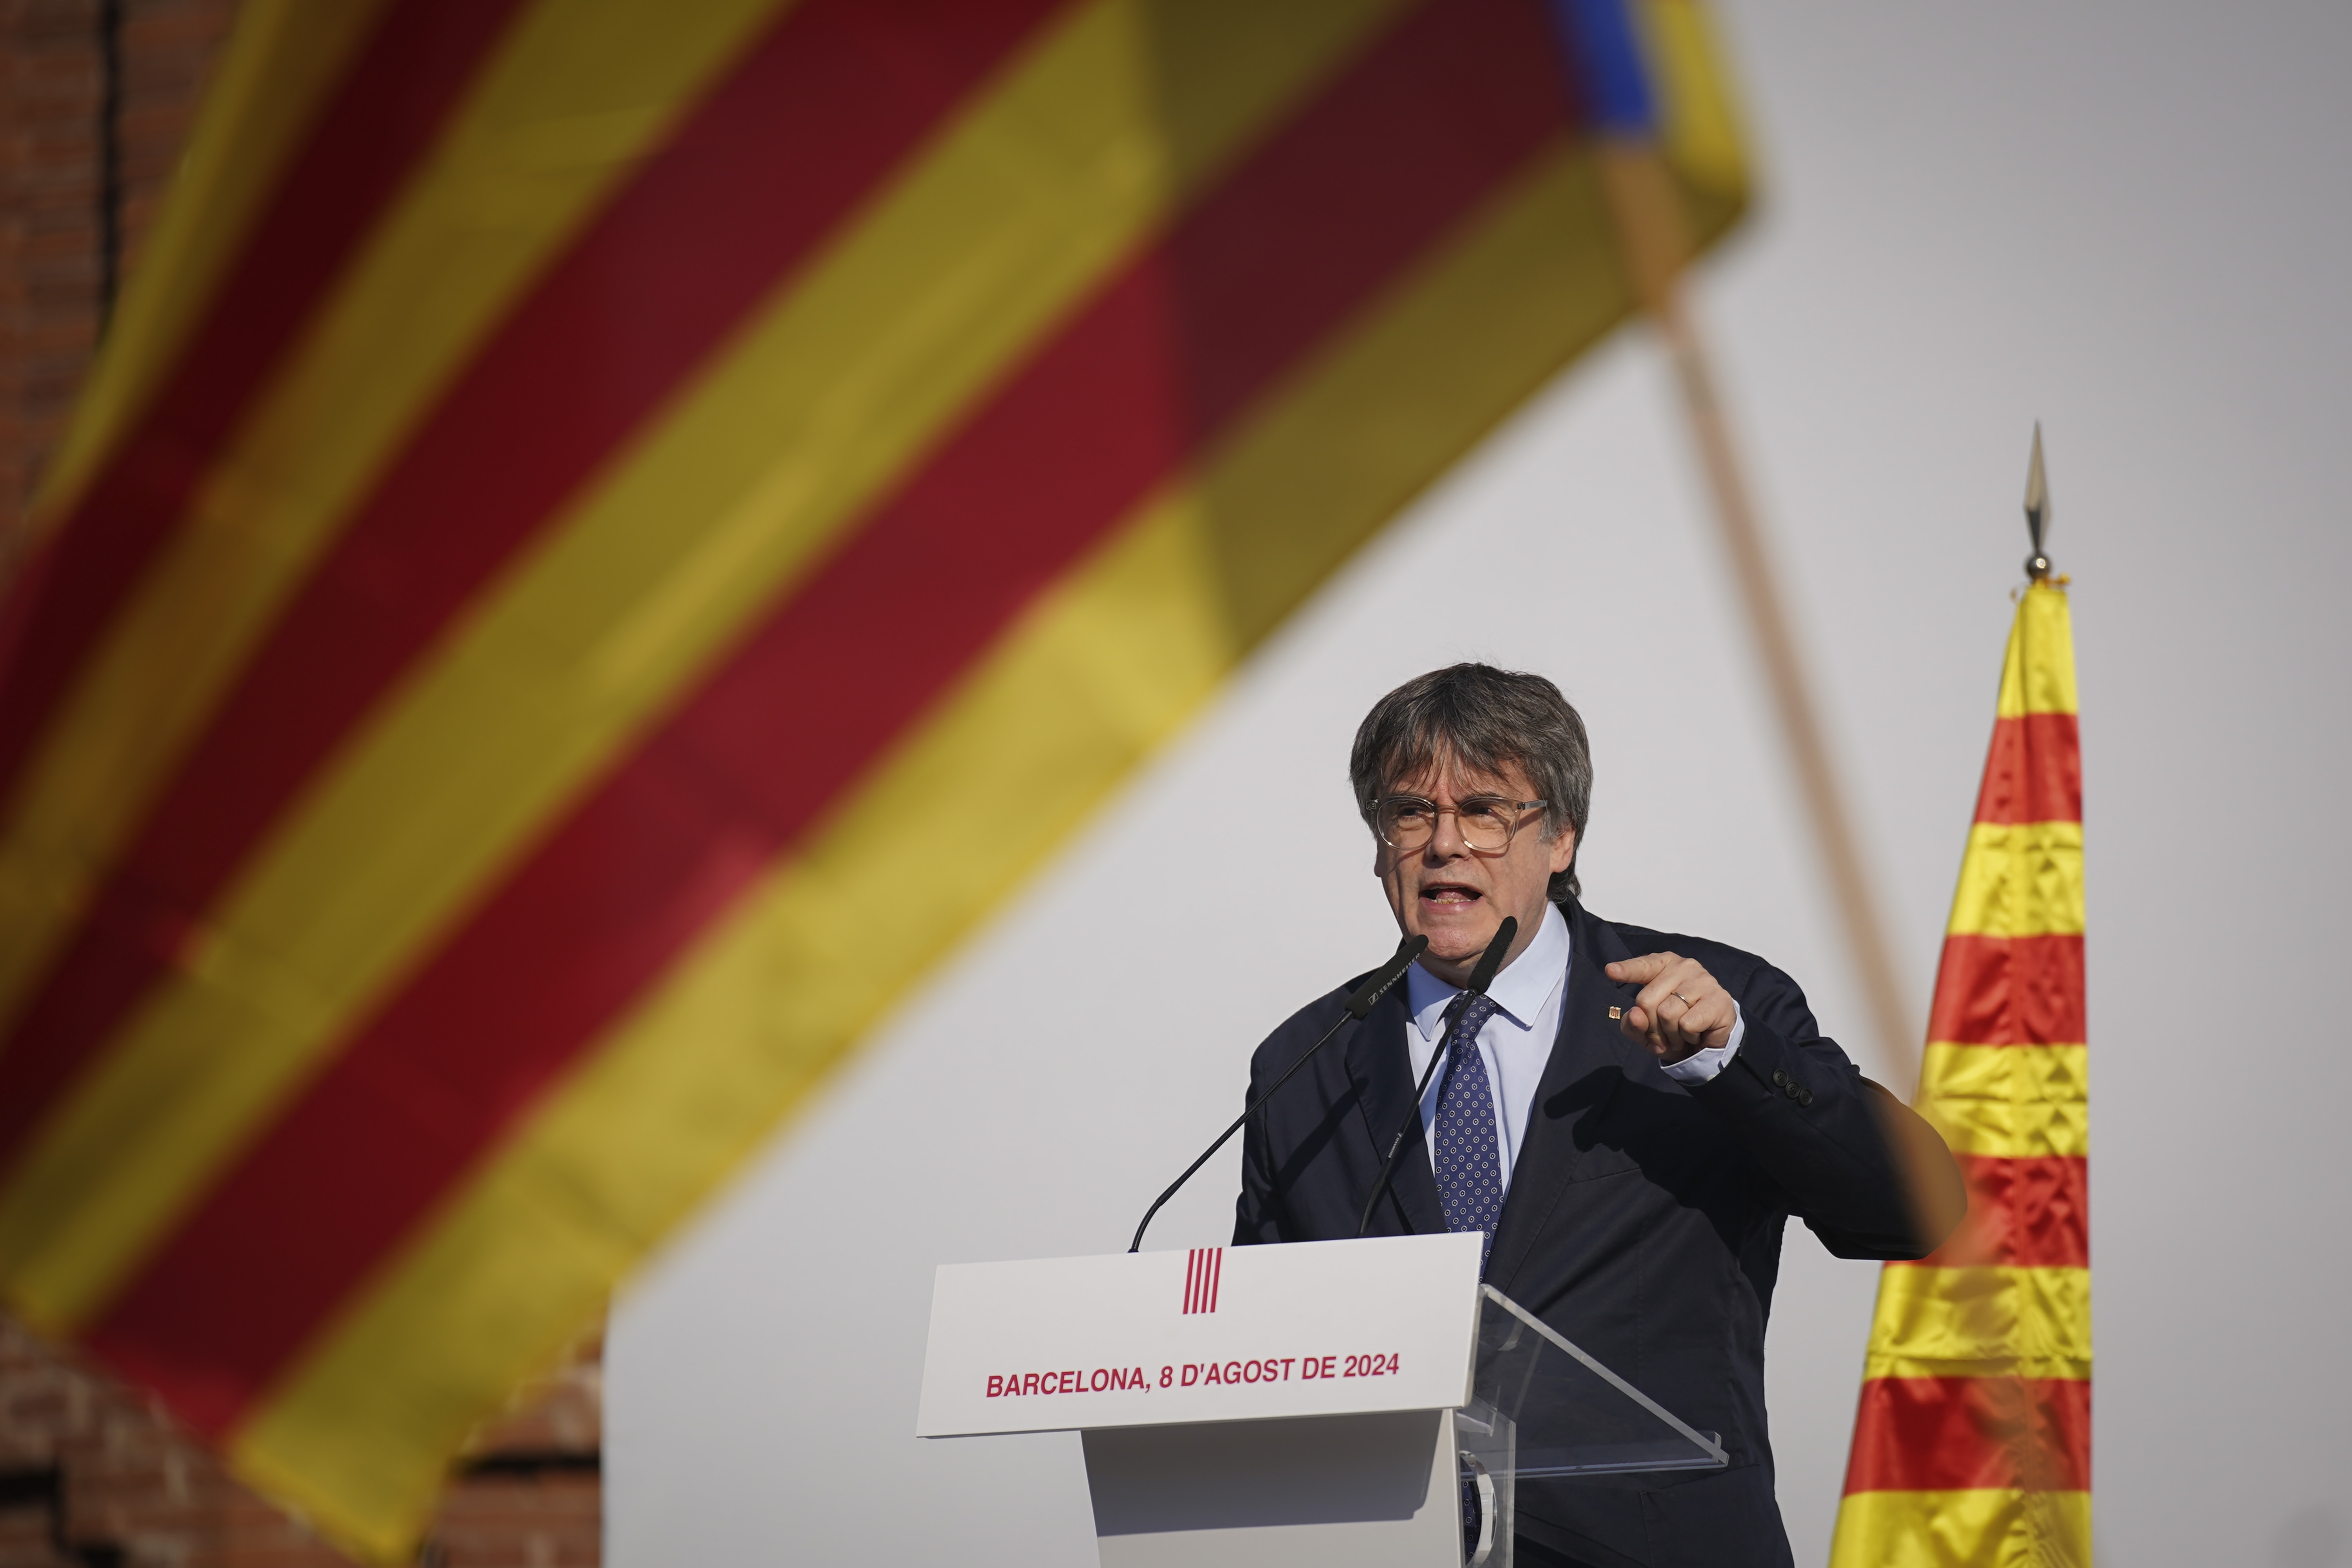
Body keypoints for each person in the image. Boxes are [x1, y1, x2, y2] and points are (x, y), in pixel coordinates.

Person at [1232, 663, 1963, 1568]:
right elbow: (1265, 1357)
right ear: (1380, 843)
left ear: (1563, 835)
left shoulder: (1712, 1010)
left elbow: (1914, 1210)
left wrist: (1730, 1061)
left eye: (1486, 810)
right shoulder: (1304, 1064)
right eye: (1410, 811)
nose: (1445, 844)